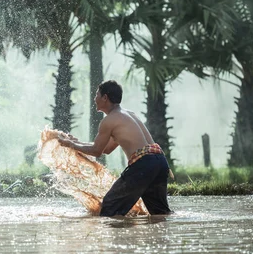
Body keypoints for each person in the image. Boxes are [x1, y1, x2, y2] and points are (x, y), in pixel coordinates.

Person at [57, 80, 173, 217]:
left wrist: (71, 145)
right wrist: (76, 142)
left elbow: (96, 151)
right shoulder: (128, 114)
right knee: (159, 213)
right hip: (159, 161)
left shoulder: (109, 121)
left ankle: (119, 238)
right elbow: (106, 148)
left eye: (96, 95)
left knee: (110, 206)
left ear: (105, 97)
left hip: (144, 164)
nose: (94, 99)